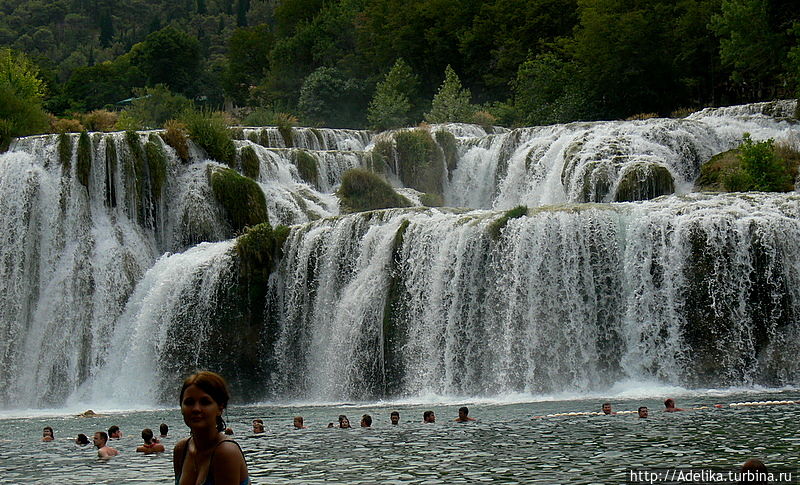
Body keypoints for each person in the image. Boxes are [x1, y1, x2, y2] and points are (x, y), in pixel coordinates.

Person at [173, 371, 249, 485]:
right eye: (189, 402)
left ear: (220, 408)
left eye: (205, 402)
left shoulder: (226, 452)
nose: (196, 409)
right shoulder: (181, 449)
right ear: (181, 407)